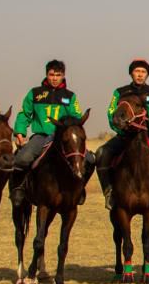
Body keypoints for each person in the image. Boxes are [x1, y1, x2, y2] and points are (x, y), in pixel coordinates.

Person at [10, 59, 94, 207]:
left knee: (90, 159)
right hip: (40, 136)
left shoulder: (69, 96)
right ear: (46, 75)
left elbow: (76, 117)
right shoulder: (35, 93)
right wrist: (20, 133)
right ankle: (19, 188)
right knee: (22, 158)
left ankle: (80, 188)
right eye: (51, 75)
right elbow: (24, 114)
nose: (54, 78)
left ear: (63, 76)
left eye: (58, 75)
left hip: (62, 138)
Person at [95, 59, 149, 209]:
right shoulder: (120, 92)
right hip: (125, 136)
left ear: (147, 74)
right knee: (101, 153)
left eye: (143, 72)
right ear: (131, 73)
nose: (140, 75)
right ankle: (109, 193)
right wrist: (121, 129)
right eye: (137, 71)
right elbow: (111, 112)